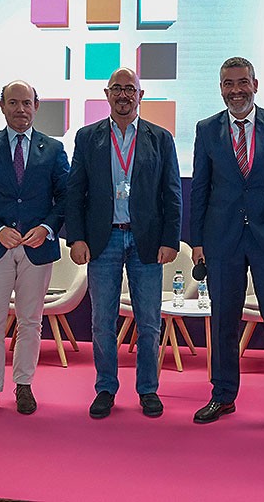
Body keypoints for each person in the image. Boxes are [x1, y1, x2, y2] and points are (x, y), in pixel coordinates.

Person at [190, 56, 264, 431]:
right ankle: (223, 395)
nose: (236, 90)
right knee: (222, 322)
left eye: (242, 82)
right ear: (221, 89)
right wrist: (197, 242)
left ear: (255, 85)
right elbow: (200, 189)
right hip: (222, 240)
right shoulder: (206, 129)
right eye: (228, 84)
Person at [66, 67, 182, 419]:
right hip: (104, 240)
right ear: (107, 94)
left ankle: (148, 389)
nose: (123, 95)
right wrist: (77, 237)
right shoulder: (87, 137)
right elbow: (75, 192)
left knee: (148, 322)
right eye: (116, 88)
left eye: (130, 89)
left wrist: (170, 239)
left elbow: (172, 193)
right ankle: (105, 388)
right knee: (102, 321)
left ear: (140, 95)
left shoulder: (160, 138)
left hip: (147, 240)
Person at [0, 80, 69, 422]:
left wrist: (47, 228)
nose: (20, 109)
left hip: (37, 248)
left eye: (26, 103)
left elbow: (65, 198)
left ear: (36, 106)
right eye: (13, 102)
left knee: (31, 321)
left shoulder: (53, 149)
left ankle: (24, 385)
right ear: (2, 106)